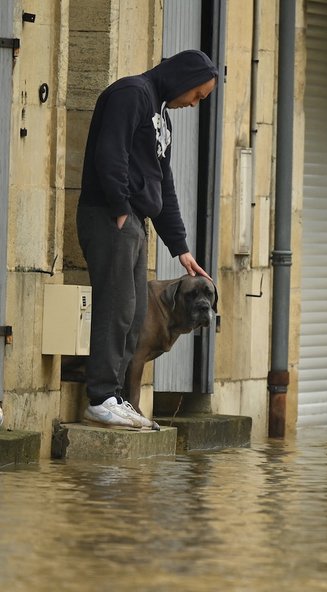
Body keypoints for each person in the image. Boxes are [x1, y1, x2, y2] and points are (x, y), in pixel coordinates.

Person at [76, 50, 218, 430]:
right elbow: (111, 153)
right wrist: (121, 207)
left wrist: (181, 247)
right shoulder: (131, 94)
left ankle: (116, 397)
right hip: (110, 216)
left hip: (135, 222)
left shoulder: (161, 115)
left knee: (135, 312)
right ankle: (101, 397)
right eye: (198, 95)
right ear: (183, 78)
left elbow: (162, 185)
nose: (194, 104)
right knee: (116, 306)